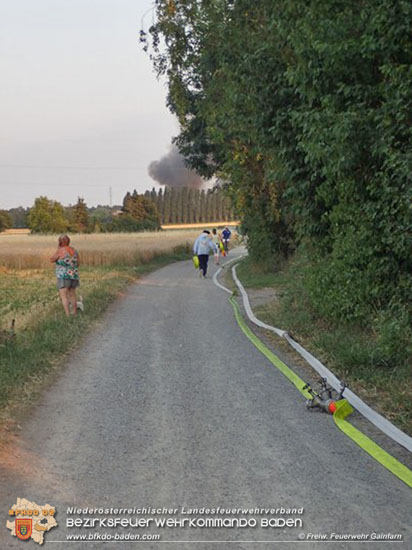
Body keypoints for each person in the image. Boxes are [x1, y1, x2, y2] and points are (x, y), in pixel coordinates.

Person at [50, 234, 80, 317]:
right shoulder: (74, 250)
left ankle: (67, 315)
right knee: (72, 295)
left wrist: (58, 249)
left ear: (60, 242)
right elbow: (78, 264)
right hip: (74, 275)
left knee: (64, 296)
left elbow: (52, 259)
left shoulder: (60, 251)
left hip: (63, 276)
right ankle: (75, 313)